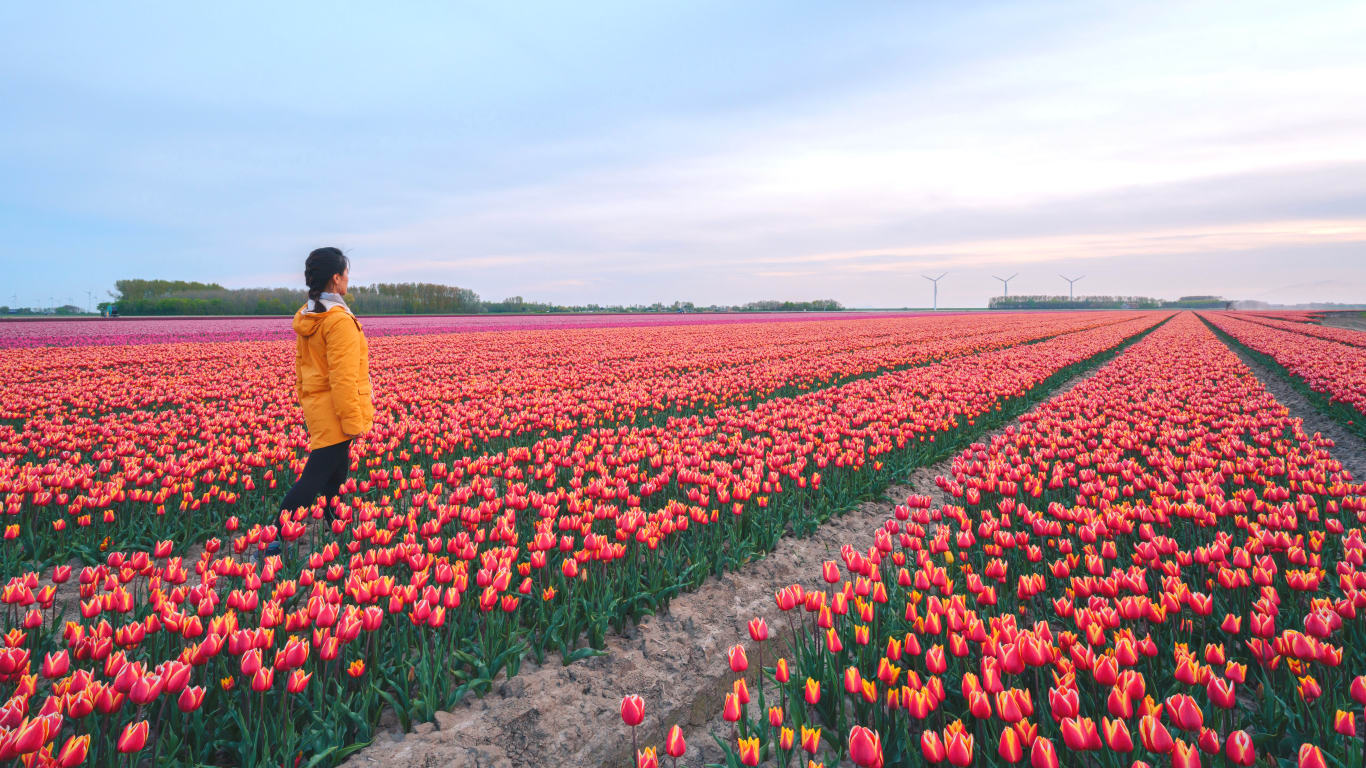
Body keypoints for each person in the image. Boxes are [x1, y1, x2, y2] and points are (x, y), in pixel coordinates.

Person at [263, 247, 374, 559]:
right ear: (336, 279)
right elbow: (342, 378)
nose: (349, 279)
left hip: (319, 406)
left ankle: (334, 525)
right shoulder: (338, 321)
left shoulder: (310, 315)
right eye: (346, 274)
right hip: (337, 410)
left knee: (337, 472)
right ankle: (273, 539)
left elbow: (301, 367)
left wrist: (306, 399)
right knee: (314, 477)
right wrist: (352, 421)